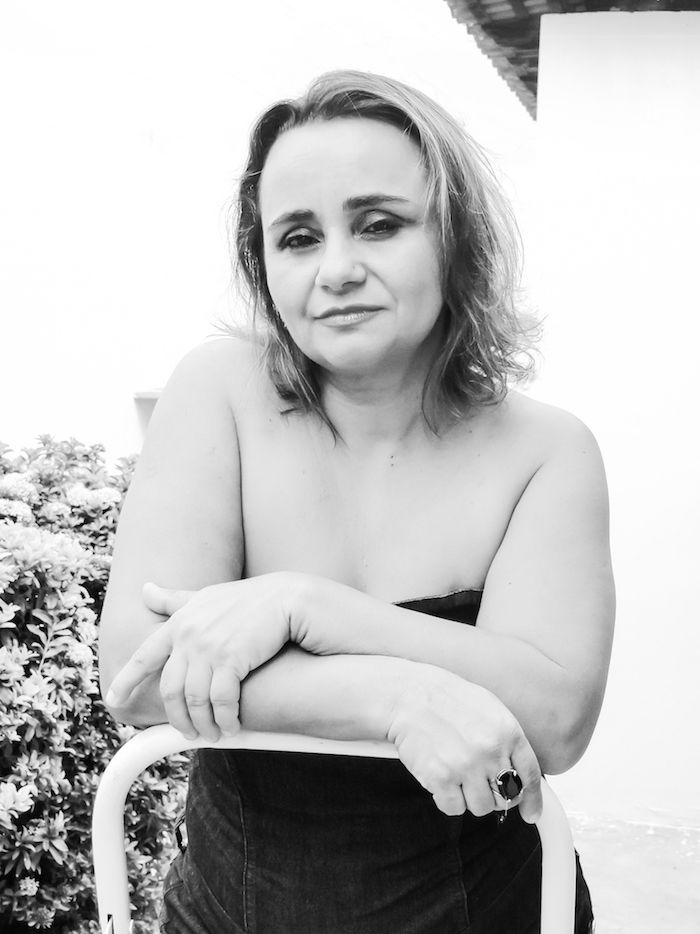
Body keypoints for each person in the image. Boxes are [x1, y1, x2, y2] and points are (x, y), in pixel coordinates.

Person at [99, 70, 614, 934]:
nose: (336, 270)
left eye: (379, 224)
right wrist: (394, 697)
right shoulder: (218, 391)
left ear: (456, 237)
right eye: (298, 238)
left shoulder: (547, 451)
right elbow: (136, 674)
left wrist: (309, 608)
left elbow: (556, 721)